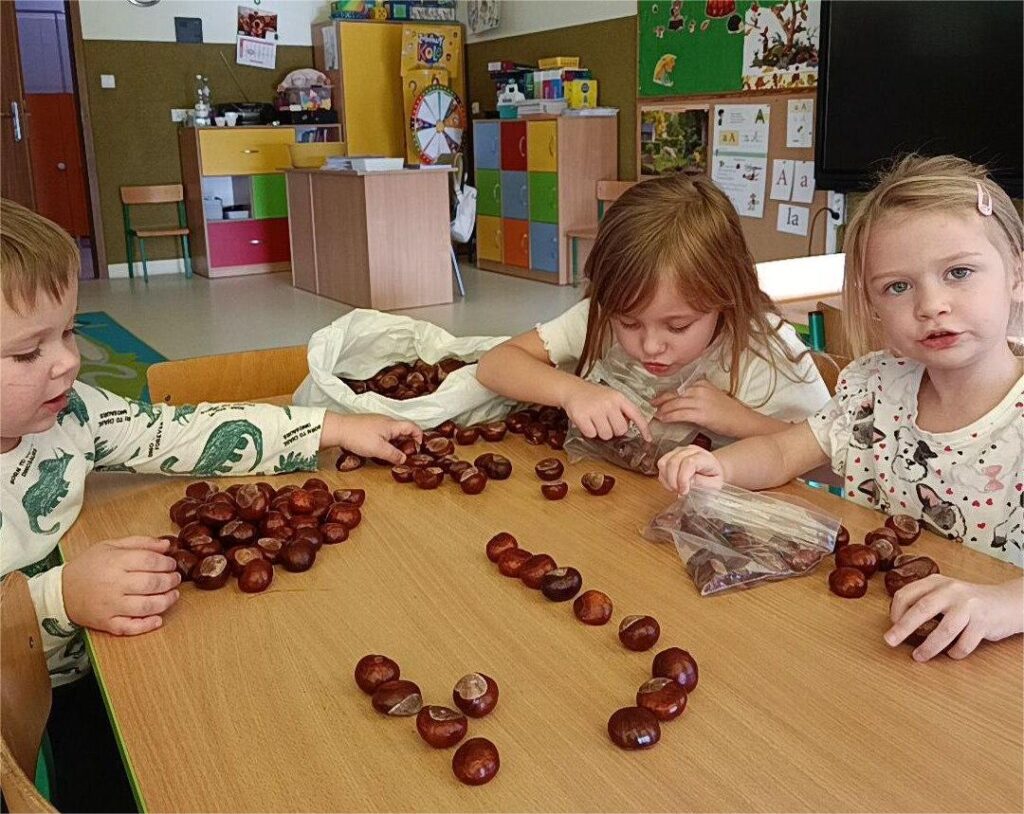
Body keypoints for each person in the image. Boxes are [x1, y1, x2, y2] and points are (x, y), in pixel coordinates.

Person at [0, 199, 420, 811]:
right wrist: (57, 598)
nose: (69, 361)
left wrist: (330, 428)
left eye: (68, 331)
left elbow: (181, 434)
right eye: (26, 352)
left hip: (97, 663)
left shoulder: (76, 412)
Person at [657, 154, 1024, 662]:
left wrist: (1005, 604)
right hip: (865, 641)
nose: (930, 305)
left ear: (1016, 274)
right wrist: (720, 466)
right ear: (872, 305)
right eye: (898, 287)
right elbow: (784, 453)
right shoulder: (873, 388)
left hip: (991, 663)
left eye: (958, 272)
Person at [477, 173, 829, 448]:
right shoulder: (601, 319)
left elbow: (831, 464)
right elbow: (495, 364)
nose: (650, 346)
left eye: (677, 327)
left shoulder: (763, 351)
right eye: (629, 323)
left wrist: (741, 421)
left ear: (725, 298)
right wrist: (572, 392)